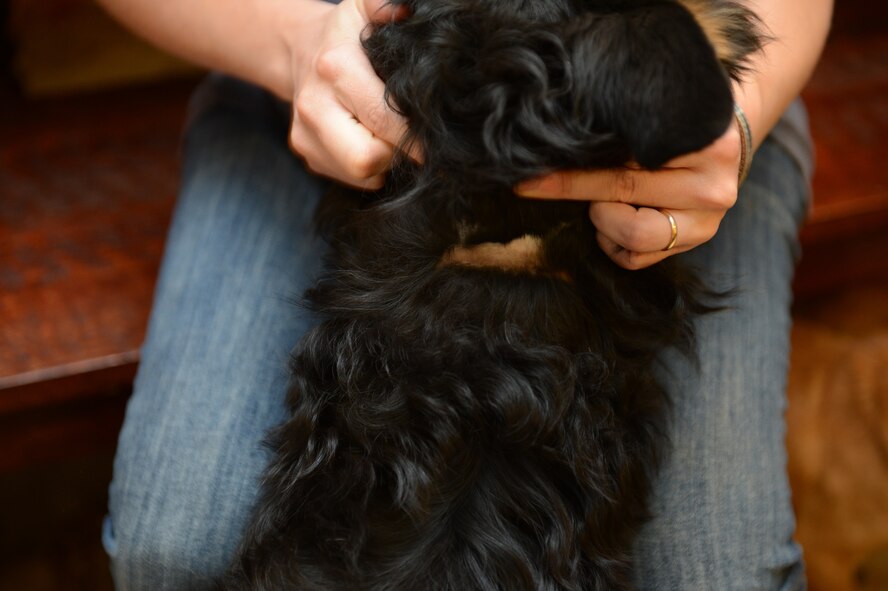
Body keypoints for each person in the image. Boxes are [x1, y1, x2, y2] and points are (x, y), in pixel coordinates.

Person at [95, 0, 833, 588]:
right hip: (301, 43)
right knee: (173, 546)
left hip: (679, 84)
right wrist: (293, 42)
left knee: (720, 573)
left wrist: (736, 117)